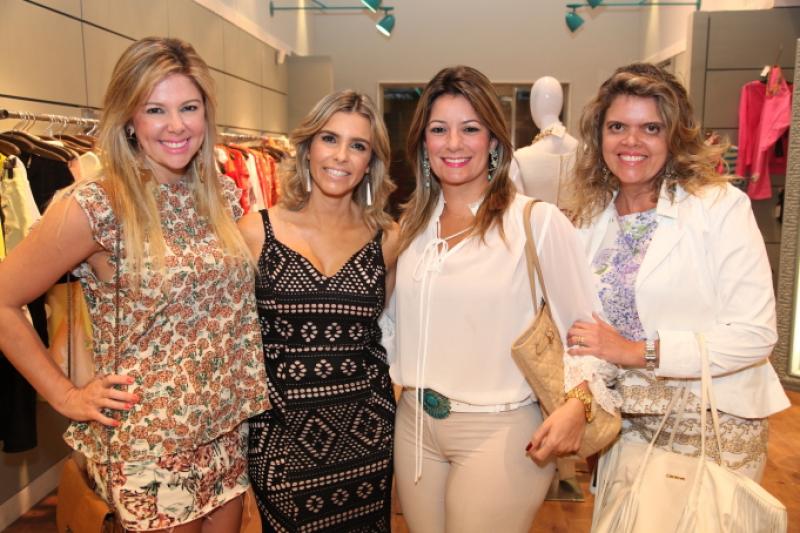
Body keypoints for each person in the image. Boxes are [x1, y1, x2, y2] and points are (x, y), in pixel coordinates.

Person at [0, 37, 270, 532]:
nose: (176, 125)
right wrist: (65, 396)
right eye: (155, 109)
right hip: (151, 440)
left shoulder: (221, 195)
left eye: (189, 107)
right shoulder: (96, 205)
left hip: (227, 429)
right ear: (129, 118)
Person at [390, 65, 618, 533]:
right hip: (414, 425)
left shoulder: (536, 223)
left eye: (470, 129)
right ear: (423, 142)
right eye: (439, 129)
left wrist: (578, 402)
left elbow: (587, 331)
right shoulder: (411, 228)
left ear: (494, 140)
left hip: (499, 429)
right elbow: (392, 326)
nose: (454, 143)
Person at [565, 63, 790, 487]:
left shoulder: (720, 207)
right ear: (599, 136)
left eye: (651, 128)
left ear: (675, 136)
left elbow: (755, 334)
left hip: (709, 424)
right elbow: (586, 332)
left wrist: (638, 352)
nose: (631, 141)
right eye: (617, 126)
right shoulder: (590, 219)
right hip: (620, 425)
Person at [238, 90, 399, 532]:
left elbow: (386, 330)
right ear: (308, 147)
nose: (341, 156)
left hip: (367, 437)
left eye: (358, 145)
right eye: (330, 139)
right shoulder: (255, 232)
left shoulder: (388, 239)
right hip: (279, 437)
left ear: (370, 162)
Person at [511, 75, 578, 206]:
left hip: (533, 220)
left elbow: (516, 210)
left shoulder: (520, 159)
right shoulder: (587, 154)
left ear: (533, 106)